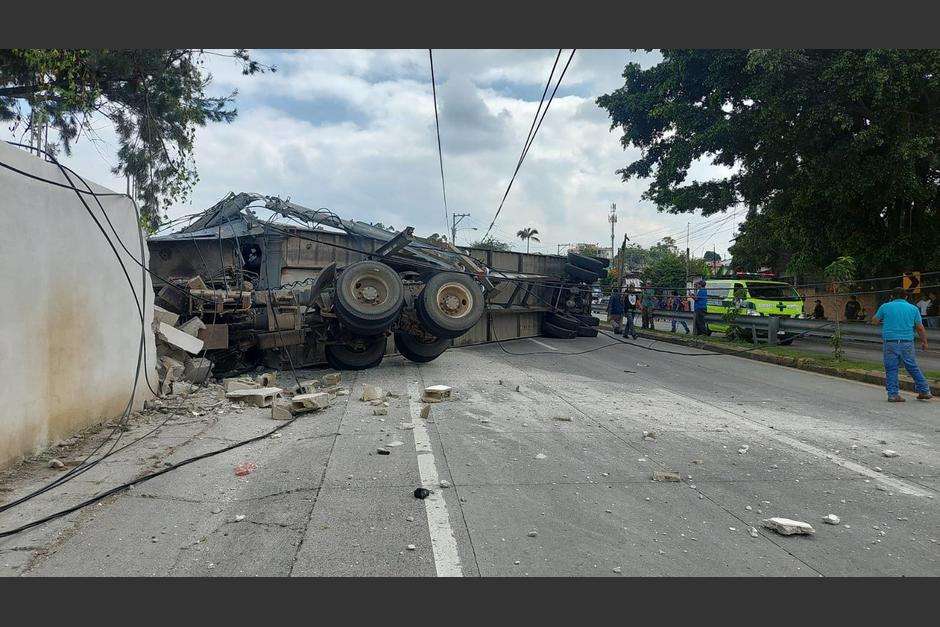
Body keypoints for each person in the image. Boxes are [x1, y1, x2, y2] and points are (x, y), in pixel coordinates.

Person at [872, 287, 932, 402]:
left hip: (890, 342)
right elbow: (920, 328)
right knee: (912, 366)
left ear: (892, 296)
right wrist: (924, 342)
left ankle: (893, 394)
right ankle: (924, 390)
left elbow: (874, 321)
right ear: (906, 296)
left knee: (891, 368)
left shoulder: (885, 306)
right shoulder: (913, 308)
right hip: (907, 343)